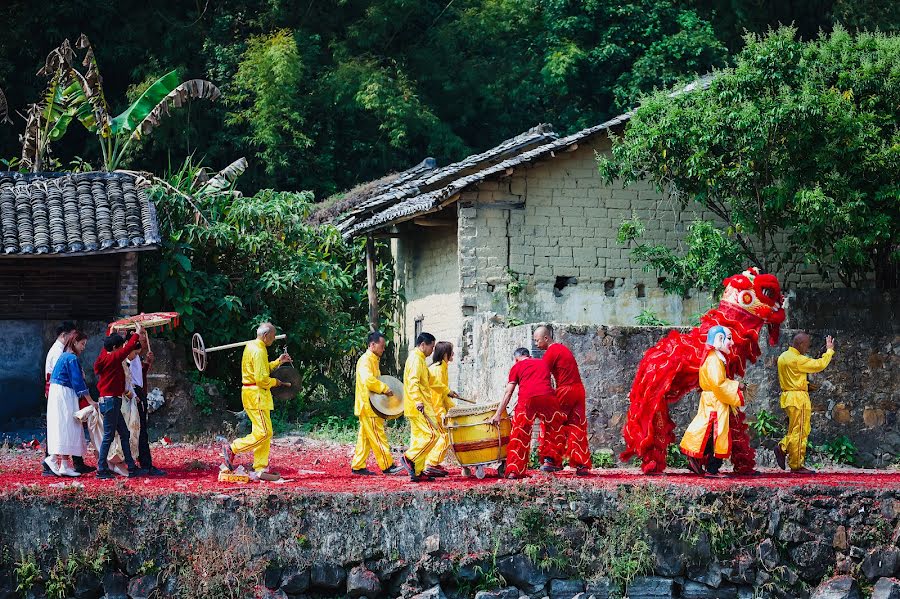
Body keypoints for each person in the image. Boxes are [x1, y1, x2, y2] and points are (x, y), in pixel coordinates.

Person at [222, 323, 292, 482]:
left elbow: (261, 369)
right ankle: (233, 448)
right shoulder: (259, 350)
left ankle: (260, 467)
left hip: (254, 395)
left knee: (263, 433)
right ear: (266, 335)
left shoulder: (251, 346)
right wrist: (277, 382)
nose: (274, 340)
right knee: (265, 432)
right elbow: (261, 379)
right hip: (257, 395)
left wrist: (278, 362)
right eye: (273, 337)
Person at [679, 326, 746, 477]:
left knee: (708, 431)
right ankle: (710, 468)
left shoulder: (713, 357)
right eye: (729, 338)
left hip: (713, 399)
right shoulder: (714, 359)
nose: (732, 342)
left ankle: (698, 460)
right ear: (720, 339)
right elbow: (718, 384)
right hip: (716, 400)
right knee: (716, 433)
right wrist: (737, 386)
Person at [489, 348, 565, 479]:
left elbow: (508, 392)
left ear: (516, 359)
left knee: (520, 434)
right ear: (529, 356)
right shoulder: (543, 363)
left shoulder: (516, 366)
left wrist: (498, 414)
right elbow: (550, 384)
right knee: (553, 427)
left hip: (526, 401)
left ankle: (514, 470)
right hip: (548, 397)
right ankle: (550, 461)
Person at [533, 326, 592, 476]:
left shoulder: (551, 351)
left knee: (552, 421)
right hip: (578, 390)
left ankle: (551, 460)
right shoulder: (562, 349)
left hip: (565, 389)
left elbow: (541, 374)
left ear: (546, 338)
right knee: (576, 426)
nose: (535, 343)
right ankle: (581, 465)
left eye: (537, 340)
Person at [775, 333, 835, 474]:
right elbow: (819, 365)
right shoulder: (798, 359)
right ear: (801, 344)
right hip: (798, 398)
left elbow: (791, 377)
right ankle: (793, 460)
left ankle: (787, 452)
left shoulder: (783, 357)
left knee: (794, 429)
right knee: (800, 430)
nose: (807, 348)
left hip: (788, 396)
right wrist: (829, 350)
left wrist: (805, 384)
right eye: (807, 345)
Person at [43, 321, 95, 475]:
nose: (84, 347)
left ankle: (64, 464)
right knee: (64, 426)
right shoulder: (68, 357)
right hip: (62, 392)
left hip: (64, 391)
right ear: (74, 341)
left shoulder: (66, 354)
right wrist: (90, 400)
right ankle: (52, 458)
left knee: (68, 426)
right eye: (82, 343)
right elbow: (77, 381)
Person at [94, 325, 143, 479]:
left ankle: (131, 466)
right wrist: (137, 333)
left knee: (124, 432)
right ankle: (101, 469)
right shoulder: (113, 357)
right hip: (111, 402)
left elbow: (109, 348)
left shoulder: (103, 358)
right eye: (119, 347)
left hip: (109, 401)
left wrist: (113, 333)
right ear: (115, 348)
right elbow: (127, 349)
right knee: (109, 436)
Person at [351, 331, 402, 476]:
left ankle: (358, 465)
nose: (383, 349)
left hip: (368, 405)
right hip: (369, 407)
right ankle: (387, 465)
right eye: (381, 346)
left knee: (365, 438)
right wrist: (385, 388)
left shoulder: (372, 359)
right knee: (378, 435)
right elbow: (369, 381)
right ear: (372, 345)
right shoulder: (366, 360)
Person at [400, 332, 438, 482]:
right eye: (431, 347)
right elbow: (413, 381)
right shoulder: (416, 359)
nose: (432, 350)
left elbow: (429, 381)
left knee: (419, 439)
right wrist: (417, 400)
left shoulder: (419, 359)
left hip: (415, 406)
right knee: (432, 435)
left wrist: (447, 391)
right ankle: (409, 458)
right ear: (423, 345)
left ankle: (417, 470)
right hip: (419, 406)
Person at [127, 330, 165, 476]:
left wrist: (147, 363)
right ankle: (141, 463)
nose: (144, 337)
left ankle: (142, 462)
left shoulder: (135, 356)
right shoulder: (128, 356)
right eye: (142, 334)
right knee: (137, 431)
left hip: (137, 393)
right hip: (133, 395)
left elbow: (139, 374)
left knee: (140, 431)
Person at [423, 341, 461, 478]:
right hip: (434, 409)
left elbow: (444, 395)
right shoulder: (438, 370)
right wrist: (442, 413)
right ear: (446, 354)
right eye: (452, 351)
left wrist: (455, 409)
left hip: (436, 408)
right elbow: (436, 396)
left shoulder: (442, 368)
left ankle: (432, 462)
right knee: (445, 436)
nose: (454, 354)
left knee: (441, 436)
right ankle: (431, 464)